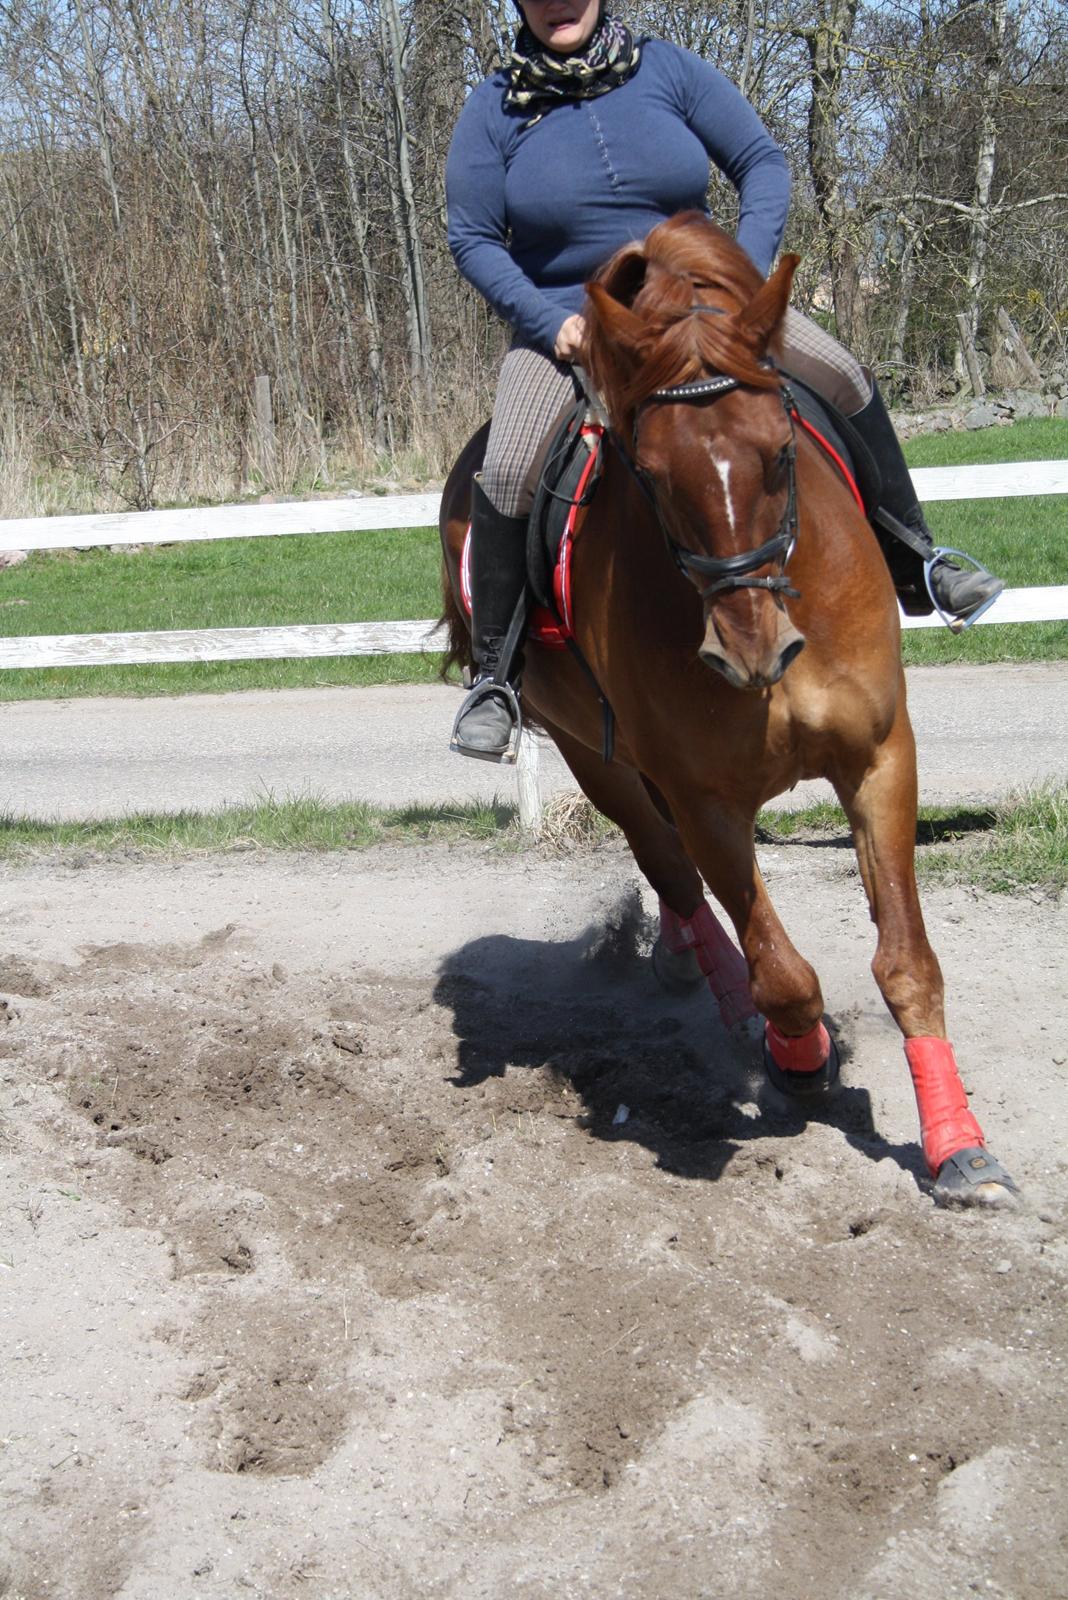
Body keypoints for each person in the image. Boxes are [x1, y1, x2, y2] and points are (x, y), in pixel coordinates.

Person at [445, 0, 1002, 761]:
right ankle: (496, 678)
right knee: (508, 467)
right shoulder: (494, 108)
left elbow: (762, 162)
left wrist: (742, 274)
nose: (557, 3)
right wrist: (550, 324)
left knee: (843, 375)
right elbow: (472, 237)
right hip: (577, 326)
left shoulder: (666, 69)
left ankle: (919, 562)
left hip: (710, 311)